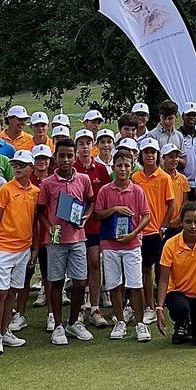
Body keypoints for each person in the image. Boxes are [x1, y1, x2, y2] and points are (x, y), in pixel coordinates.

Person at [37, 139, 96, 345]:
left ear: (75, 157)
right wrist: (49, 226)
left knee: (80, 283)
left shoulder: (83, 179)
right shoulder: (47, 184)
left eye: (70, 156)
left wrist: (87, 216)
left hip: (78, 238)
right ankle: (58, 326)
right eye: (61, 155)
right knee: (56, 282)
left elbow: (90, 201)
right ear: (55, 158)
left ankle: (73, 323)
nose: (66, 159)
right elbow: (40, 211)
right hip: (55, 240)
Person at [93, 151, 153, 342]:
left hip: (132, 243)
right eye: (119, 165)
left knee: (135, 284)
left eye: (127, 165)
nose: (123, 169)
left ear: (132, 166)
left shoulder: (137, 190)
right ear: (114, 167)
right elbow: (97, 215)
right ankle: (120, 321)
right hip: (109, 243)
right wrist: (114, 209)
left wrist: (133, 234)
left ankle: (140, 323)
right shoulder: (105, 190)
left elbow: (146, 216)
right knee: (114, 283)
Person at [0, 150, 40, 354]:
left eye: (22, 164)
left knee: (13, 292)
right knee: (0, 293)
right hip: (4, 249)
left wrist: (34, 248)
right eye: (15, 164)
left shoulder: (35, 191)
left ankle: (5, 330)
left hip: (24, 249)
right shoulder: (5, 190)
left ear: (31, 168)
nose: (17, 167)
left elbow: (34, 221)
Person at [155, 202, 196, 348]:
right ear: (181, 222)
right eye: (188, 222)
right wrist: (159, 308)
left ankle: (190, 327)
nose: (193, 226)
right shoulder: (171, 244)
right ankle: (181, 323)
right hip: (176, 293)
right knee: (181, 309)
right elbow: (163, 280)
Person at [131, 138, 175, 326]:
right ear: (141, 155)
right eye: (146, 152)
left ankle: (159, 304)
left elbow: (171, 205)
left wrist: (163, 227)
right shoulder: (136, 178)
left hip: (157, 231)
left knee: (161, 269)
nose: (150, 155)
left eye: (153, 152)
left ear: (158, 156)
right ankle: (149, 306)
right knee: (145, 270)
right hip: (141, 231)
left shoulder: (164, 177)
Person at [73, 129, 112, 327]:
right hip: (76, 227)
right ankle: (79, 307)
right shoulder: (72, 168)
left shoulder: (101, 169)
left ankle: (95, 307)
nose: (85, 146)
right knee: (79, 268)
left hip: (96, 224)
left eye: (88, 142)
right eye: (81, 143)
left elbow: (106, 195)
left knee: (95, 263)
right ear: (76, 146)